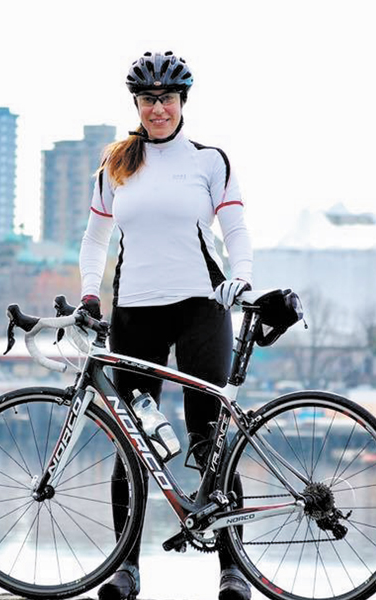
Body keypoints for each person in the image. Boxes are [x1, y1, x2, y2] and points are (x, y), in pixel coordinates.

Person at [78, 51, 253, 600]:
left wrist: (240, 279)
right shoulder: (117, 165)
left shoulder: (208, 161)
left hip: (203, 308)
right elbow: (94, 239)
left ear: (183, 103)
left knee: (209, 443)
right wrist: (90, 294)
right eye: (149, 99)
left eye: (168, 98)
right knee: (133, 447)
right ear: (137, 103)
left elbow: (237, 229)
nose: (159, 108)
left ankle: (233, 572)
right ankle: (124, 570)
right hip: (136, 312)